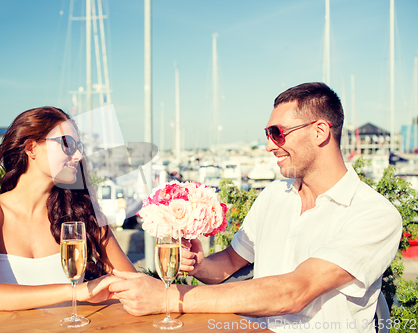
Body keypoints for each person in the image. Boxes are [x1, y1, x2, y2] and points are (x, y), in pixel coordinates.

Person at [110, 83, 402, 332]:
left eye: (277, 133)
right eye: (267, 134)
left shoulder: (375, 215)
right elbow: (227, 264)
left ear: (320, 131)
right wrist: (200, 264)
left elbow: (294, 291)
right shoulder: (274, 195)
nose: (269, 146)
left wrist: (170, 298)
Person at [0, 106, 136, 313]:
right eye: (68, 145)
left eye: (79, 146)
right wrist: (76, 292)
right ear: (31, 148)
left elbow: (132, 284)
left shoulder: (81, 212)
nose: (79, 155)